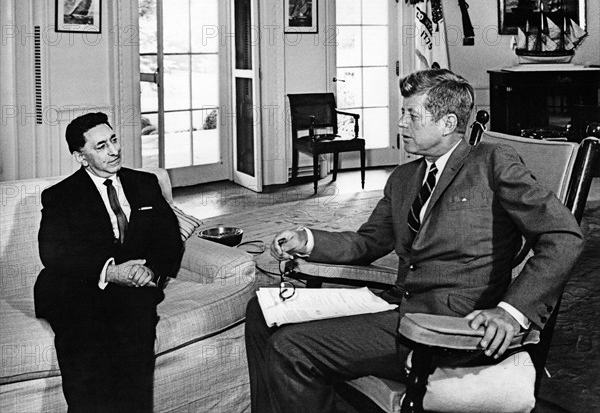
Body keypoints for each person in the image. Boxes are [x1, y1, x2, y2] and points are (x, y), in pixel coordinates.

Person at [245, 69, 584, 413]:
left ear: (448, 122)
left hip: (450, 327)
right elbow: (369, 242)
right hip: (399, 309)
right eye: (403, 113)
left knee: (291, 348)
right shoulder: (405, 177)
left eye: (412, 115)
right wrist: (308, 240)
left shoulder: (492, 164)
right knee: (260, 311)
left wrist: (511, 312)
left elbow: (563, 236)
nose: (401, 124)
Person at [34, 112, 183, 413]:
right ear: (81, 156)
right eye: (101, 146)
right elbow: (53, 253)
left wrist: (150, 269)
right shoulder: (60, 196)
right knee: (84, 336)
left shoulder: (145, 183)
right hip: (77, 285)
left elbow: (169, 238)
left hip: (133, 285)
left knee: (137, 329)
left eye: (113, 140)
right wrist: (111, 271)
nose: (114, 151)